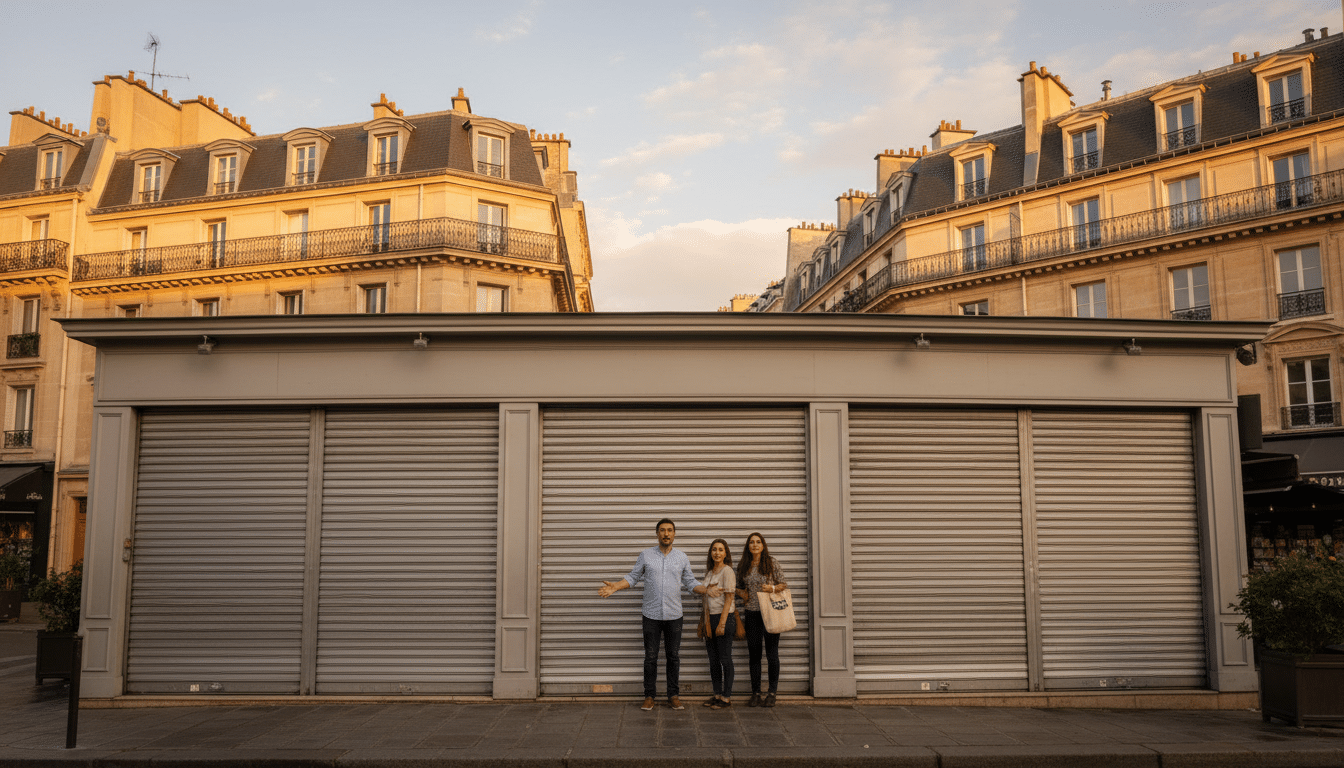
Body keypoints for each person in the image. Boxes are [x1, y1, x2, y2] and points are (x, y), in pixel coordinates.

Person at [599, 518, 720, 711]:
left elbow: (690, 582)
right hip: (651, 615)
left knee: (673, 657)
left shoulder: (681, 557)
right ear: (657, 534)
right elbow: (633, 576)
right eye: (662, 530)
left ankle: (673, 695)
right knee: (650, 657)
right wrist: (616, 586)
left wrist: (705, 590)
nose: (666, 534)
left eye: (669, 530)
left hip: (674, 615)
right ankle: (649, 696)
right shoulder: (646, 555)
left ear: (674, 534)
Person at [735, 531, 788, 707]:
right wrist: (740, 593)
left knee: (772, 654)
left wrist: (772, 588)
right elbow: (739, 588)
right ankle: (756, 693)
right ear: (748, 546)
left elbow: (783, 584)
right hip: (752, 614)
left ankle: (772, 693)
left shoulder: (772, 563)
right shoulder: (744, 565)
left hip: (771, 613)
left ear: (763, 545)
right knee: (754, 655)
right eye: (751, 542)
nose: (755, 545)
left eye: (758, 542)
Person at [698, 538, 737, 709]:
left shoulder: (727, 571)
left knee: (725, 659)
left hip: (724, 618)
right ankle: (717, 694)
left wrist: (721, 624)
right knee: (713, 660)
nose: (717, 553)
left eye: (721, 550)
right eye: (714, 549)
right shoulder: (710, 573)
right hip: (709, 619)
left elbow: (729, 598)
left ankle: (726, 697)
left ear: (725, 553)